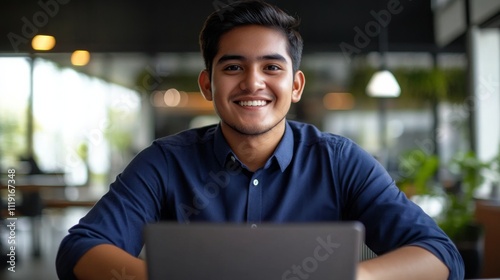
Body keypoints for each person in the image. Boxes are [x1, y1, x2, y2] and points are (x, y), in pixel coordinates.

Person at [56, 1, 464, 279]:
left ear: (296, 85)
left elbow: (442, 256)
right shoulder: (164, 162)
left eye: (272, 66)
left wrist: (348, 275)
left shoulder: (340, 161)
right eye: (233, 66)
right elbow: (79, 249)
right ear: (208, 84)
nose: (253, 82)